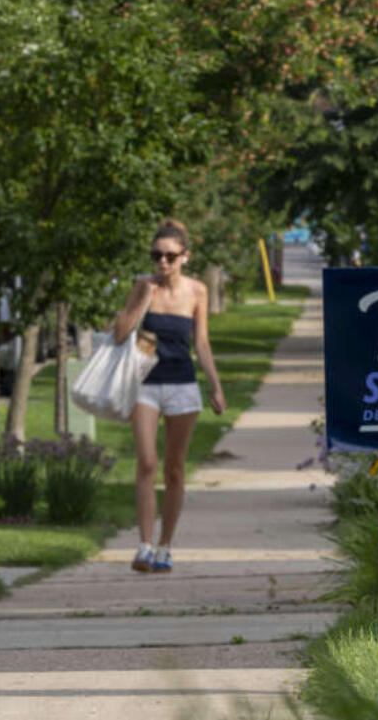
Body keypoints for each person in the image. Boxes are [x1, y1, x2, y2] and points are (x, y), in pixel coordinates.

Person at [113, 220, 226, 572]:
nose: (162, 262)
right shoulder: (142, 286)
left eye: (170, 256)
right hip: (145, 384)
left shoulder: (197, 292)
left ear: (185, 257)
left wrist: (215, 385)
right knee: (146, 462)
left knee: (174, 469)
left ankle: (165, 546)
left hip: (182, 385)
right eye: (156, 255)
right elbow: (119, 333)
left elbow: (202, 343)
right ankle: (144, 545)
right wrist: (141, 301)